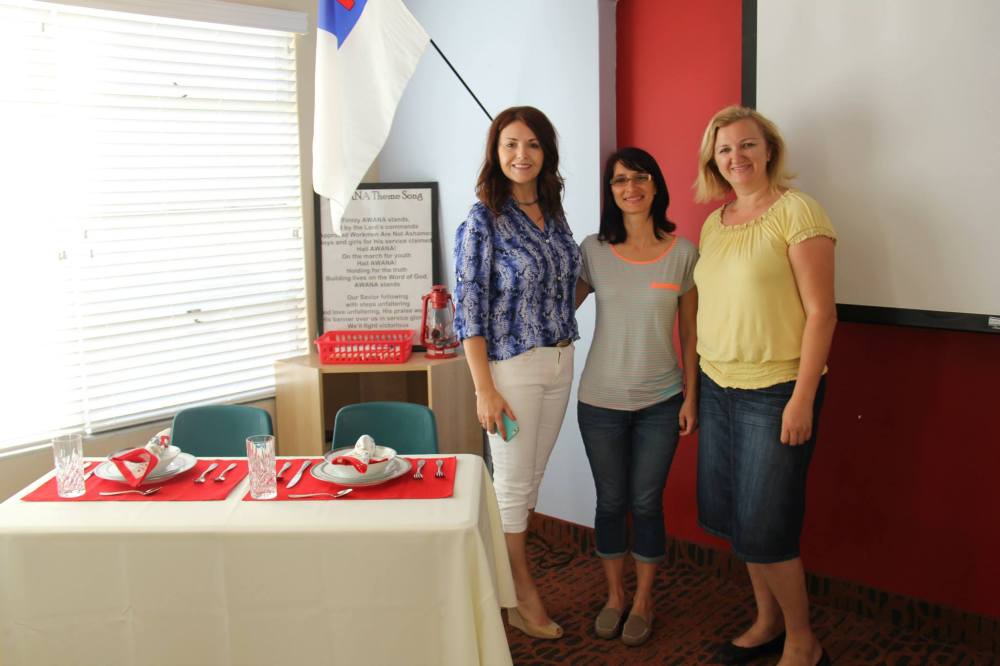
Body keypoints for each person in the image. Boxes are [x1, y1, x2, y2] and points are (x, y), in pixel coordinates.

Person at [693, 106, 837, 666]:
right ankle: (768, 621)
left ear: (769, 149)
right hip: (718, 386)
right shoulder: (715, 222)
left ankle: (803, 641)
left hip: (777, 391)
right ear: (714, 161)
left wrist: (802, 399)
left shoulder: (798, 212)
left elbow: (822, 314)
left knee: (768, 527)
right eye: (725, 150)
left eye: (747, 145)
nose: (737, 158)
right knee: (740, 520)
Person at [453, 106, 581, 640]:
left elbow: (564, 285)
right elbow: (468, 311)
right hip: (511, 371)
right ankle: (520, 595)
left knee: (529, 481)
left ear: (546, 152)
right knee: (510, 485)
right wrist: (484, 389)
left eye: (532, 144)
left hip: (559, 361)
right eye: (510, 144)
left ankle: (499, 582)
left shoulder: (554, 213)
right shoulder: (482, 221)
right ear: (495, 152)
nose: (521, 154)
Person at [574, 147, 699, 646]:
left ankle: (644, 599)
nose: (631, 187)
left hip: (661, 402)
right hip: (599, 401)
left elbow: (690, 334)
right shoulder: (593, 250)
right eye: (620, 180)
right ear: (610, 191)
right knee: (610, 502)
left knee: (646, 503)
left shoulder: (683, 252)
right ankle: (614, 596)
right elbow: (555, 310)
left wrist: (691, 396)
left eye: (640, 177)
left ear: (655, 185)